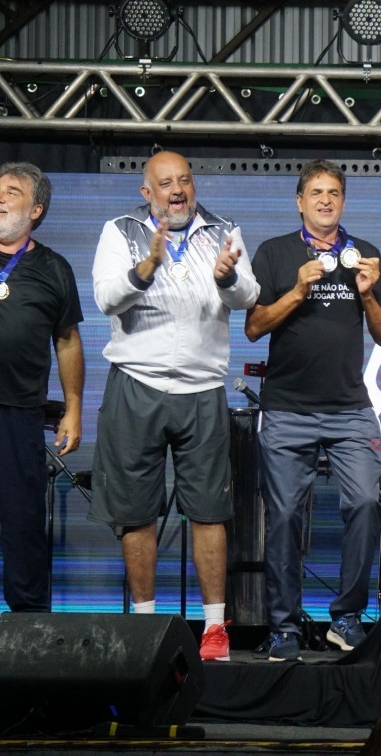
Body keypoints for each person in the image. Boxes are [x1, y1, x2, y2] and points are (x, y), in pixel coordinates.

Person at [91, 151, 258, 662]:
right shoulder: (120, 231)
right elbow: (105, 298)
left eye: (184, 180)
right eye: (165, 183)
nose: (178, 190)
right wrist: (146, 267)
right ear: (147, 192)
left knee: (210, 511)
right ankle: (146, 627)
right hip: (135, 385)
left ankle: (214, 628)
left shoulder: (223, 230)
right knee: (135, 513)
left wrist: (227, 277)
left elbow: (248, 295)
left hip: (202, 389)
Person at [247, 159, 381, 660]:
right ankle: (284, 627)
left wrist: (367, 294)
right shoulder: (275, 253)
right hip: (287, 409)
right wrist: (297, 291)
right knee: (285, 515)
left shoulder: (365, 254)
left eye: (333, 193)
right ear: (299, 201)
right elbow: (253, 327)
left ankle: (346, 618)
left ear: (343, 201)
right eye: (316, 192)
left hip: (350, 409)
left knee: (366, 503)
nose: (325, 200)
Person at [0, 162, 84, 614]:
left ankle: (28, 625)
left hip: (19, 411)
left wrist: (73, 408)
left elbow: (67, 342)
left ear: (36, 209)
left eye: (11, 192)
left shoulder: (53, 268)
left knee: (22, 520)